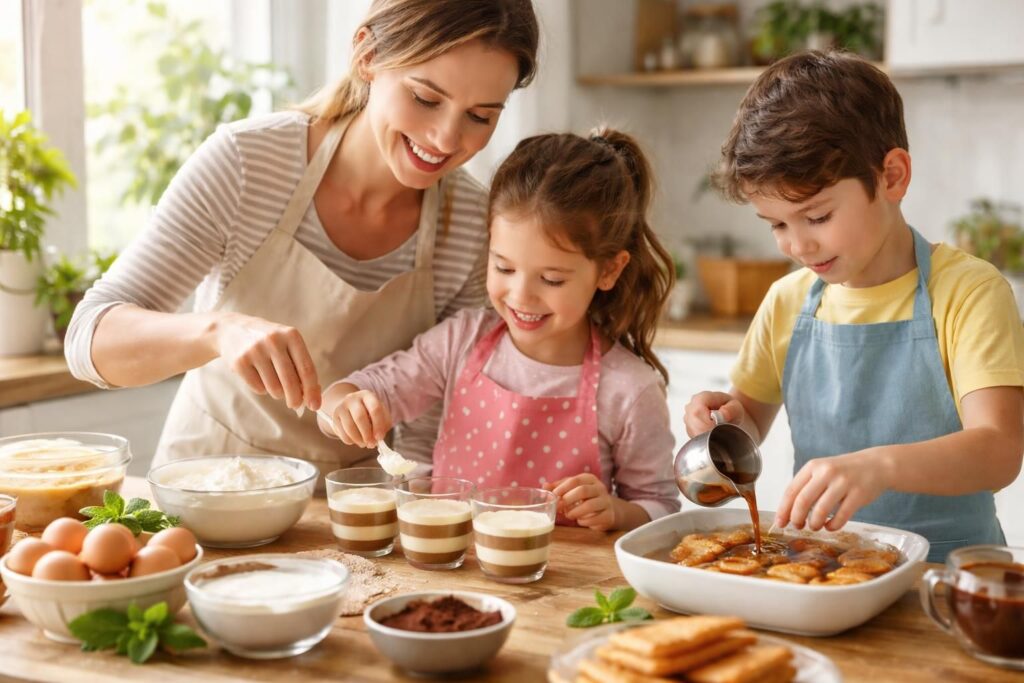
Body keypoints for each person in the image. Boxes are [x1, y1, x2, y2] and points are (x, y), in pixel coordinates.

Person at [65, 0, 539, 479]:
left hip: (355, 511)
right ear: (367, 55)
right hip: (206, 493)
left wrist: (415, 510)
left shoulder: (474, 226)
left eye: (480, 117)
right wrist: (217, 331)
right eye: (425, 99)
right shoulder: (248, 164)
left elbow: (430, 422)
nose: (444, 137)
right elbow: (89, 341)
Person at [683, 51, 1024, 562]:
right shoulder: (787, 302)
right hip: (826, 570)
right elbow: (748, 422)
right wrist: (724, 425)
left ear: (891, 176)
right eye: (776, 224)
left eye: (816, 216)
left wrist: (880, 466)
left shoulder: (969, 292)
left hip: (947, 579)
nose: (797, 245)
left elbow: (999, 449)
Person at [318, 128, 681, 531]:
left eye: (552, 279)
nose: (521, 296)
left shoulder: (630, 389)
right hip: (452, 571)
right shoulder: (461, 341)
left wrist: (616, 511)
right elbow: (367, 390)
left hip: (562, 584)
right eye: (504, 268)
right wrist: (345, 405)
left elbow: (659, 507)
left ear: (609, 270)